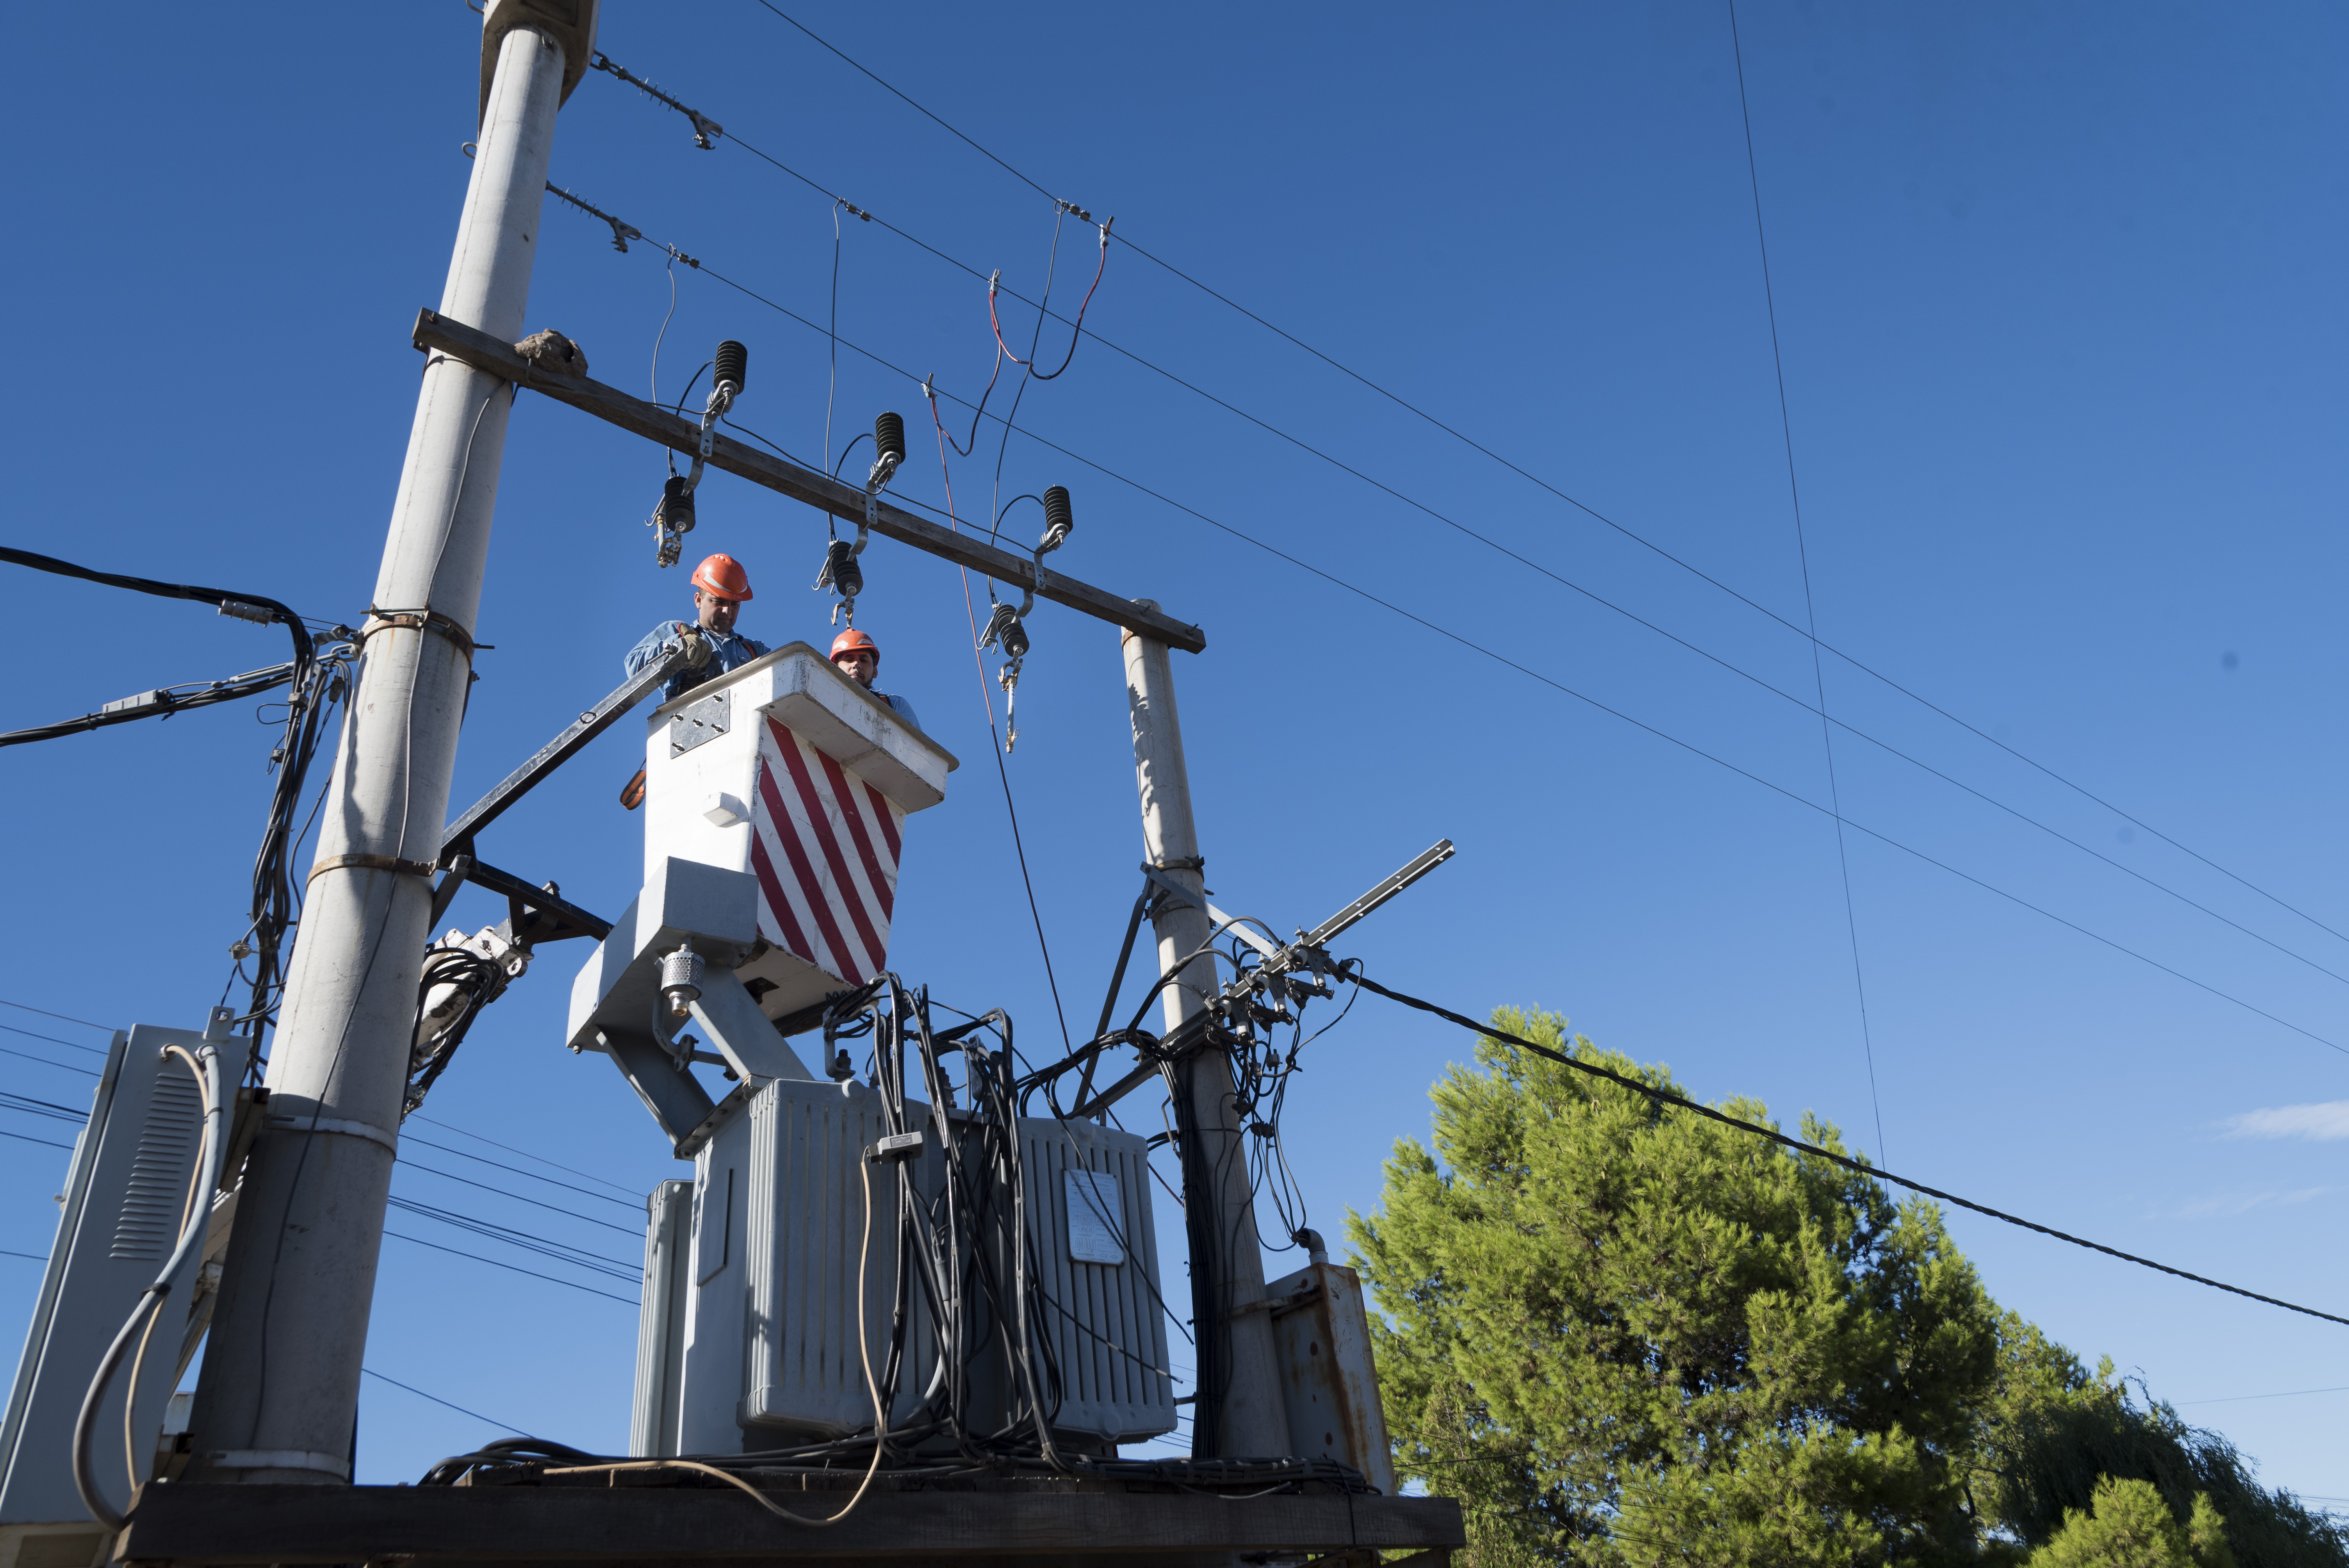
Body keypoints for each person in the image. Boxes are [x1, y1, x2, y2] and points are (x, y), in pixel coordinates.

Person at [625, 553, 770, 704]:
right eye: (719, 602)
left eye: (734, 604)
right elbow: (633, 665)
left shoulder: (755, 651)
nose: (728, 611)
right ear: (699, 600)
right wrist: (679, 647)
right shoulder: (677, 631)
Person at [829, 627, 921, 731]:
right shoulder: (821, 697)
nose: (856, 664)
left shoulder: (895, 705)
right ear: (834, 669)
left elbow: (913, 744)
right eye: (849, 660)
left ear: (875, 672)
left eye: (864, 660)